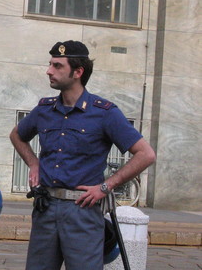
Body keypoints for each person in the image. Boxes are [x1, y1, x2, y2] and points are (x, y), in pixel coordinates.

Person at [10, 40, 156, 270]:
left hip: (82, 211)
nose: (49, 71)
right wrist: (33, 163)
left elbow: (146, 154)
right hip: (45, 208)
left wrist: (106, 187)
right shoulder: (44, 110)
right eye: (50, 64)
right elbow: (17, 135)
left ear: (78, 72)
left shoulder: (104, 113)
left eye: (57, 66)